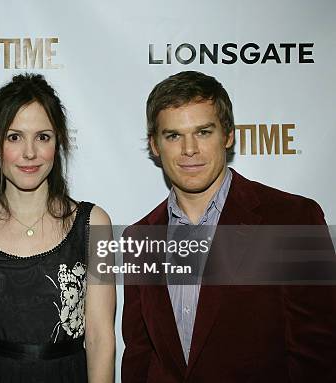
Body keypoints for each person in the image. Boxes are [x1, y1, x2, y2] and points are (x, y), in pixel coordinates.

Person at [121, 70, 336, 382]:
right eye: (173, 136)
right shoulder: (138, 238)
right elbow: (140, 357)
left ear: (229, 135)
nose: (189, 149)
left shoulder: (291, 218)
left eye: (203, 132)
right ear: (155, 145)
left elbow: (320, 352)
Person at [0, 74, 115, 382]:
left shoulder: (94, 224)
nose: (30, 153)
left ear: (58, 141)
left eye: (43, 137)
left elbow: (101, 338)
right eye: (15, 137)